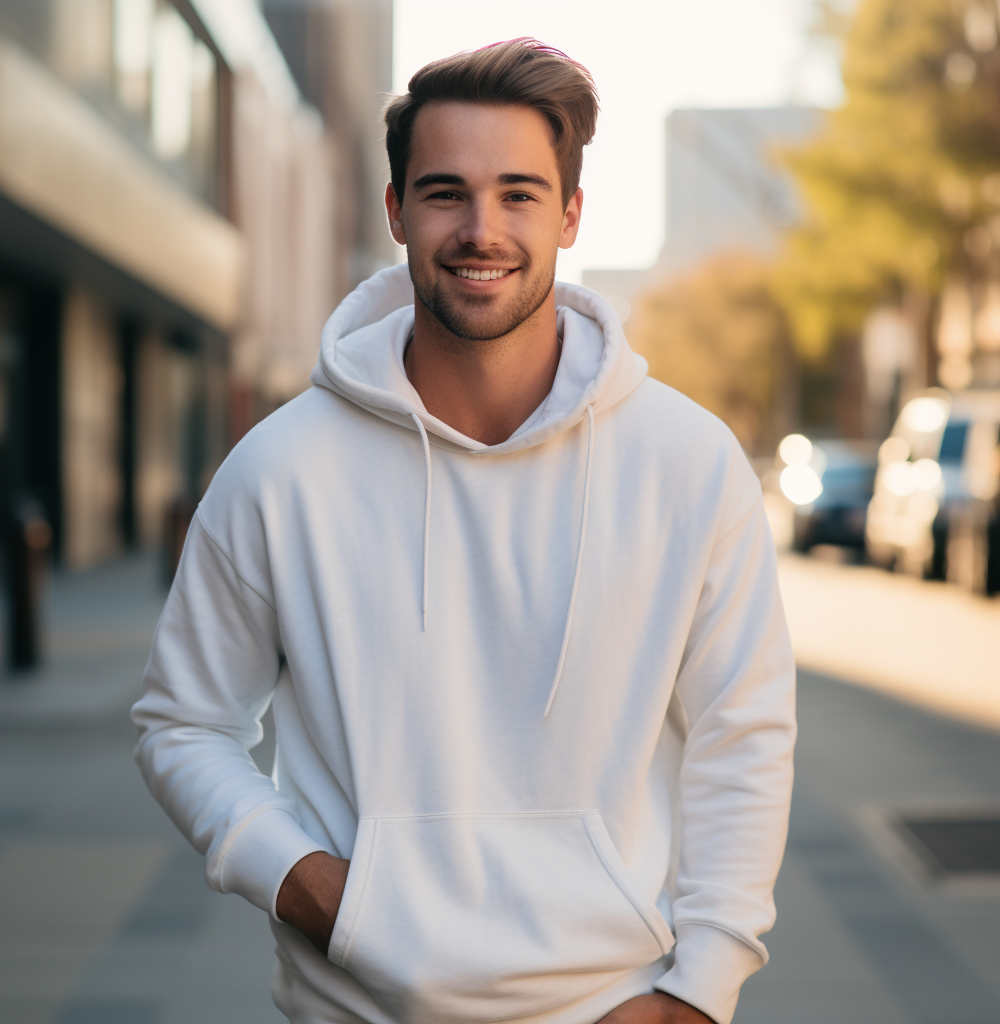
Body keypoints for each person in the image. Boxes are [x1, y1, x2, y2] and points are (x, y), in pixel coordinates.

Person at [132, 38, 796, 1024]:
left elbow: (742, 741)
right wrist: (313, 885)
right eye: (445, 192)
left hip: (611, 1002)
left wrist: (698, 993)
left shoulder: (687, 464)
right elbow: (183, 721)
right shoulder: (281, 470)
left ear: (571, 214)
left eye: (519, 193)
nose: (481, 229)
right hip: (353, 1006)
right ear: (396, 210)